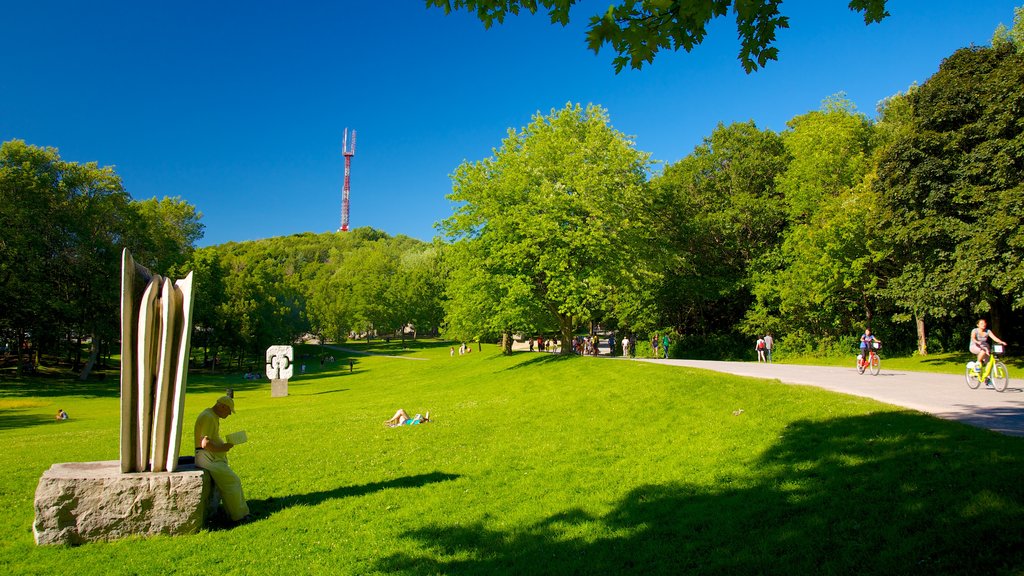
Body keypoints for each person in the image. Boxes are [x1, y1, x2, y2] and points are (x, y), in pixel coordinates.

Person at [194, 396, 250, 524]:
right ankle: (238, 515)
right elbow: (205, 443)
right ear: (222, 406)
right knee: (232, 482)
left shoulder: (211, 415)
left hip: (210, 456)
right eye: (229, 410)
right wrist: (222, 447)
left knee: (232, 481)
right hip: (207, 457)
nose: (229, 414)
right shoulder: (208, 417)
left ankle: (240, 512)